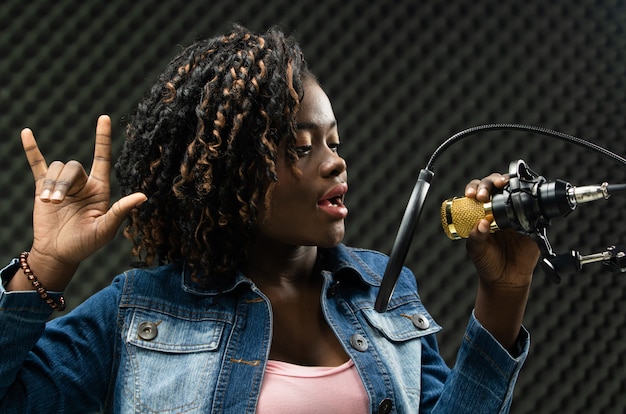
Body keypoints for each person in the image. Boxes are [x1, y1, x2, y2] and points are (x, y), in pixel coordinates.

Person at [0, 24, 540, 413]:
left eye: (334, 141)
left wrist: (504, 293)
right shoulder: (137, 311)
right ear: (228, 170)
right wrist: (45, 263)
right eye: (300, 147)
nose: (335, 161)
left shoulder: (385, 290)